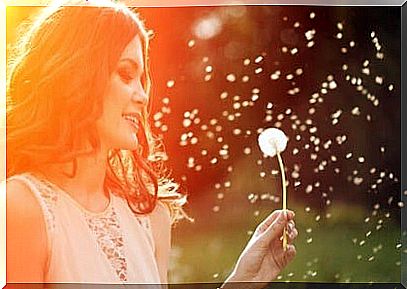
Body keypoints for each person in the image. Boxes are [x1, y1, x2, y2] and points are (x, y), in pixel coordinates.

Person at [6, 0, 298, 287]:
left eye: (143, 80)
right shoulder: (20, 208)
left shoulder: (151, 216)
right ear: (74, 76)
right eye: (125, 74)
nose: (142, 96)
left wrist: (241, 282)